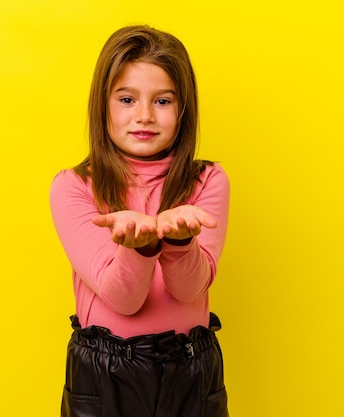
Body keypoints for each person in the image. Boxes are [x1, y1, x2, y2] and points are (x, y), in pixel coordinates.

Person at [49, 25, 230, 417]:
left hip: (191, 370)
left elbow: (190, 289)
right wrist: (141, 246)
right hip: (104, 373)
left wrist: (181, 244)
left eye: (162, 101)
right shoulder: (74, 187)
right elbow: (123, 299)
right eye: (127, 99)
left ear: (184, 109)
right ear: (104, 106)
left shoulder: (208, 180)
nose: (144, 116)